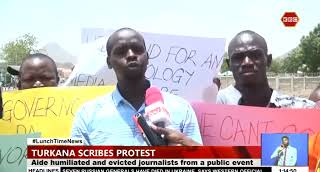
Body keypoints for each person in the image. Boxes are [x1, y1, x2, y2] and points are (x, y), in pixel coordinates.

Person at [71, 28, 202, 146]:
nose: (131, 55)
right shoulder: (88, 114)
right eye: (121, 51)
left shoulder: (182, 109)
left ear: (147, 57)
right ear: (109, 62)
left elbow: (202, 167)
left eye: (137, 49)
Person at [217, 30, 315, 108]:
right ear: (228, 64)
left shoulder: (302, 110)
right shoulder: (212, 108)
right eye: (238, 57)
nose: (247, 63)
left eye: (255, 55)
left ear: (268, 60)